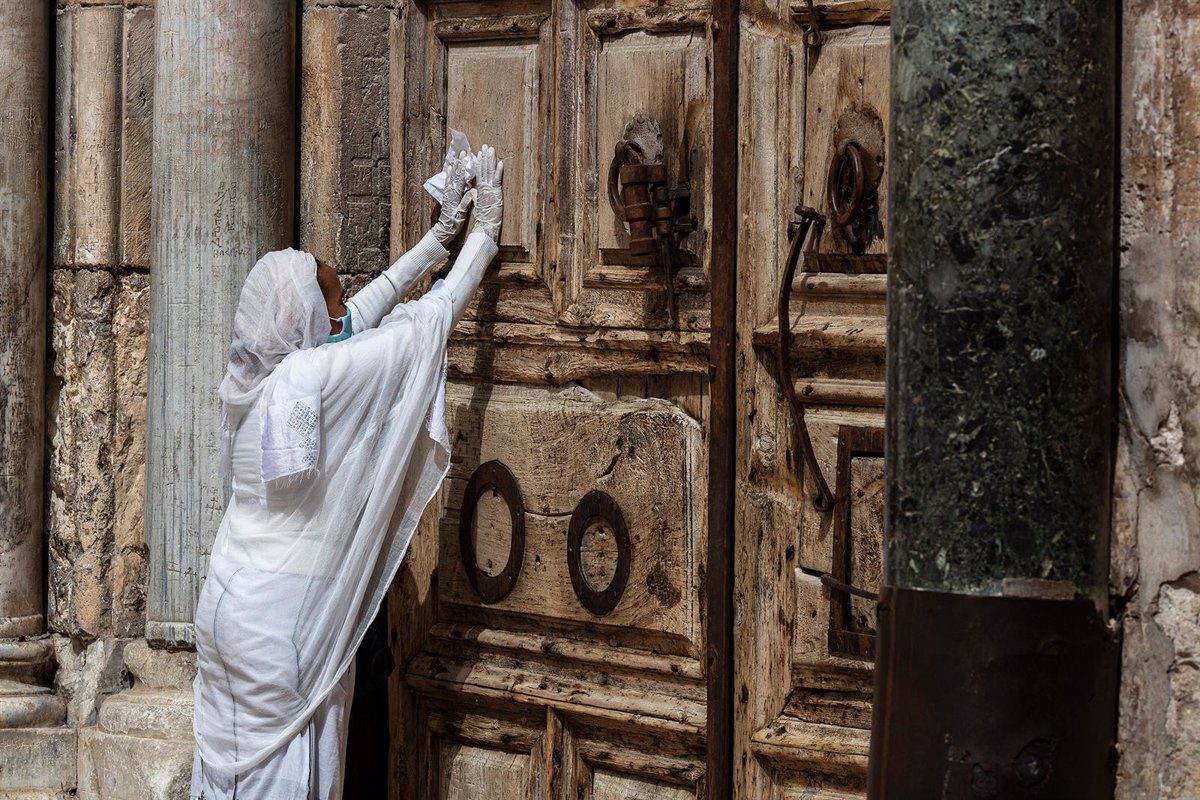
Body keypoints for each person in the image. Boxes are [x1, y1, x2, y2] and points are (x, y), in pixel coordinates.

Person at [190, 146, 504, 800]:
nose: (342, 312)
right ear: (306, 322)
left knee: (232, 781)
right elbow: (424, 324)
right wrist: (484, 240)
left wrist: (436, 240)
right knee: (291, 779)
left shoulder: (255, 381)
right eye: (330, 299)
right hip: (286, 626)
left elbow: (354, 319)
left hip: (226, 608)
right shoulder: (312, 377)